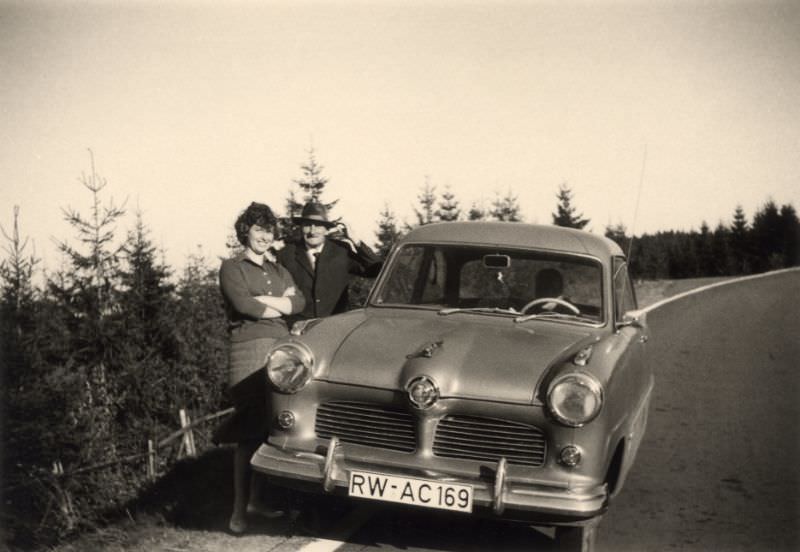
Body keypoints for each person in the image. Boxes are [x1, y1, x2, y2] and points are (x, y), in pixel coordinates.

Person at [215, 202, 305, 535]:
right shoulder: (232, 267)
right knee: (248, 431)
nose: (264, 236)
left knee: (277, 426)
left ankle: (260, 500)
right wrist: (279, 304)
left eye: (268, 230)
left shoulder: (279, 268)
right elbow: (242, 305)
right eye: (258, 230)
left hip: (282, 350)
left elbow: (299, 303)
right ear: (245, 232)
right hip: (248, 351)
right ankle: (238, 511)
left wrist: (267, 303)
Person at [278, 201, 382, 323]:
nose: (312, 231)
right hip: (299, 328)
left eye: (318, 225)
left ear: (327, 230)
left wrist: (356, 241)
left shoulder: (341, 251)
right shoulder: (286, 254)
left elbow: (377, 270)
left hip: (335, 326)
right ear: (301, 228)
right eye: (307, 225)